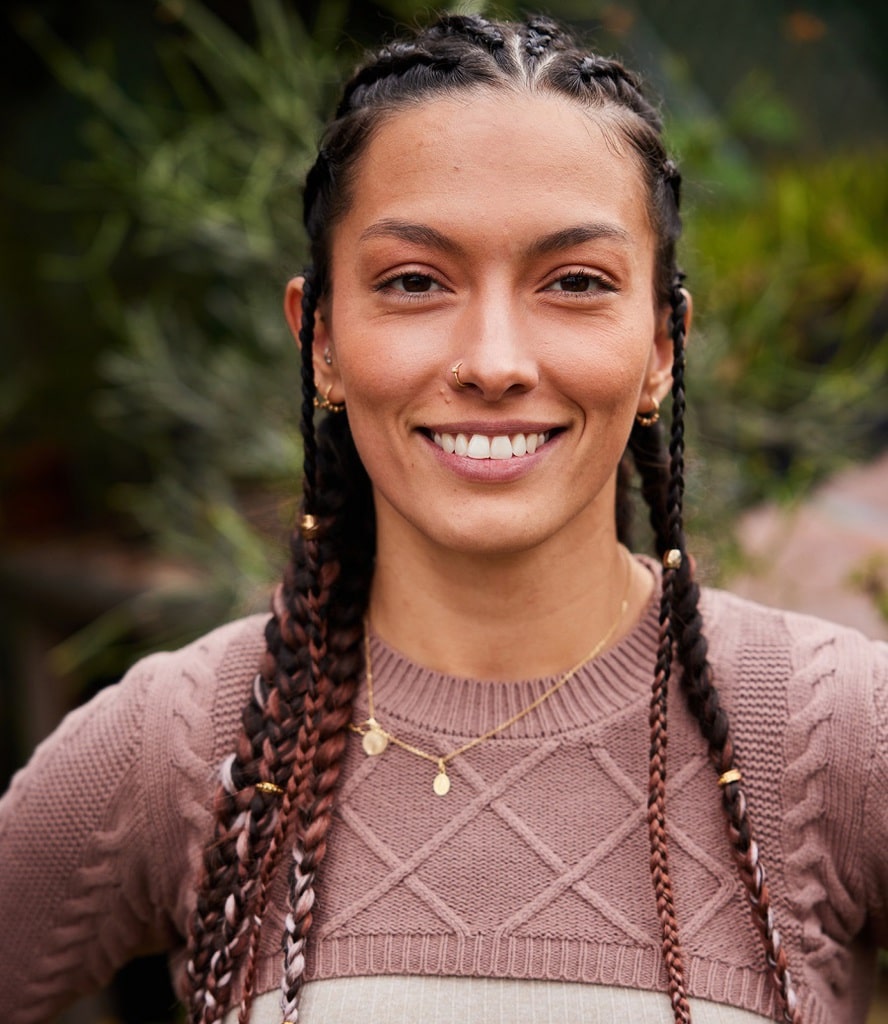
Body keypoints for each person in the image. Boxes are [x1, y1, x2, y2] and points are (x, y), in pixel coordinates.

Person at [1, 12, 886, 1024]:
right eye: (415, 282)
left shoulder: (834, 734)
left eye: (577, 282)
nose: (496, 360)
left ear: (662, 345)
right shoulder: (187, 742)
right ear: (323, 339)